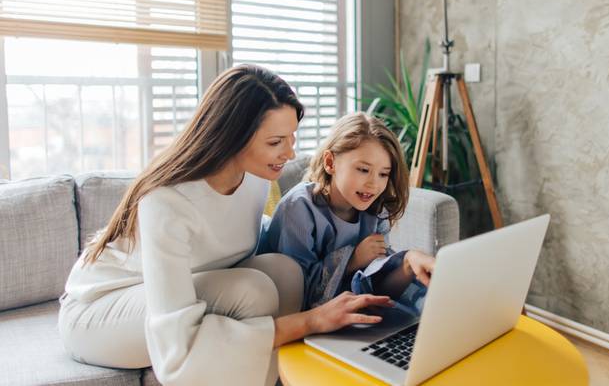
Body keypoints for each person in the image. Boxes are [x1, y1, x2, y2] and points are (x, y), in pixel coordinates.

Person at [58, 65, 394, 386]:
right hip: (99, 311)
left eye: (291, 138)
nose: (290, 154)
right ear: (233, 136)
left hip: (185, 287)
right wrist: (310, 320)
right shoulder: (167, 201)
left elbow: (237, 234)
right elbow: (176, 351)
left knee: (284, 270)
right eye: (275, 142)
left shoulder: (256, 178)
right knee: (252, 290)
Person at [262, 113, 435, 311]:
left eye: (383, 174)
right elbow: (297, 296)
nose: (373, 184)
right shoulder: (299, 208)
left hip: (346, 317)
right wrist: (352, 260)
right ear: (330, 163)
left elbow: (377, 286)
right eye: (363, 169)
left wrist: (407, 263)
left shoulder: (376, 211)